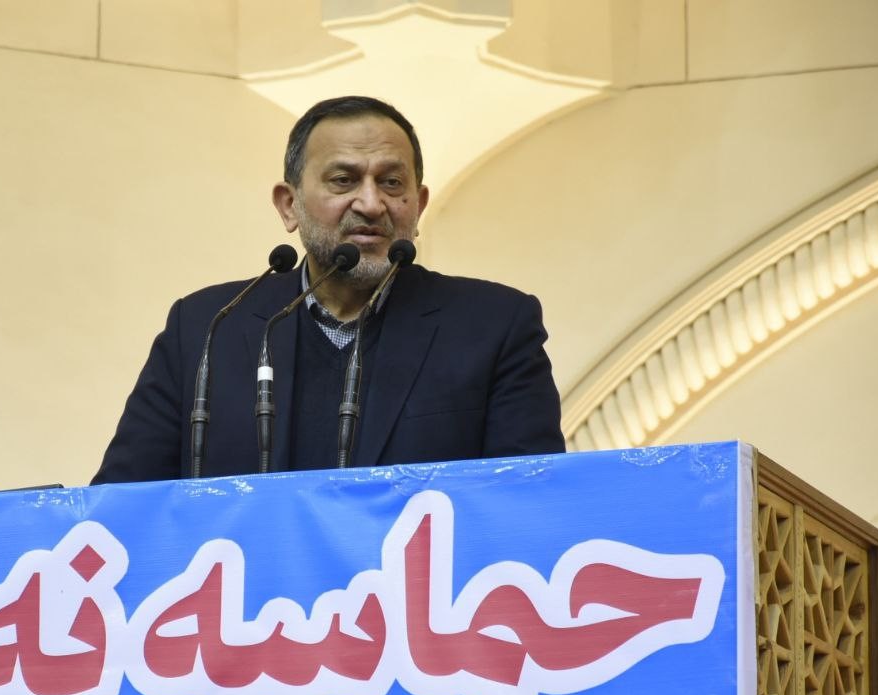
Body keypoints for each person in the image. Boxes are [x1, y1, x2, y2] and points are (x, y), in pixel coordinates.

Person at [91, 96, 563, 484]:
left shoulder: (494, 326)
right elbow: (120, 506)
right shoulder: (208, 329)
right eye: (343, 180)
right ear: (289, 205)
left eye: (391, 183)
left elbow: (530, 502)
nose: (372, 203)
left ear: (418, 205)